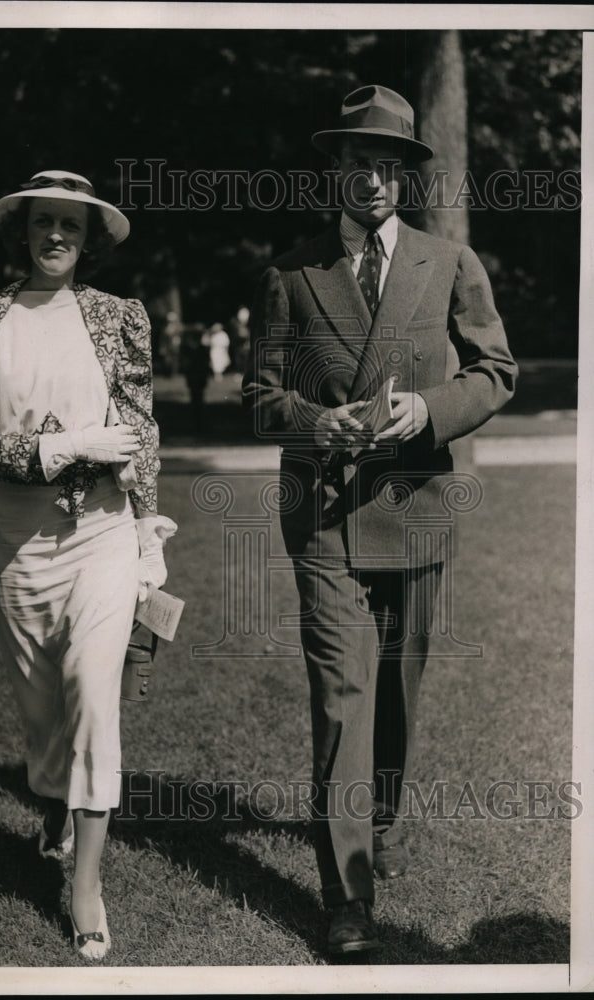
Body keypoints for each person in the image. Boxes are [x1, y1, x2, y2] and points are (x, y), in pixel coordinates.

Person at [242, 86, 517, 957]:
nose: (370, 177)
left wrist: (429, 411)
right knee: (343, 694)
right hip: (321, 516)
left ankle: (379, 817)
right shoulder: (290, 272)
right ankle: (346, 892)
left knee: (396, 691)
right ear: (333, 168)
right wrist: (306, 419)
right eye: (355, 160)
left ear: (404, 174)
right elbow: (256, 396)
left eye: (386, 163)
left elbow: (496, 370)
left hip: (418, 509)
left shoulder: (452, 263)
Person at [0, 169, 176, 961]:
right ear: (22, 231)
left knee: (93, 696)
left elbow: (139, 429)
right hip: (19, 538)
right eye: (43, 223)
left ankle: (85, 887)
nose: (56, 237)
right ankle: (54, 801)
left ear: (89, 236)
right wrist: (68, 445)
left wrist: (145, 531)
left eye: (71, 225)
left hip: (102, 531)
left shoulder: (116, 319)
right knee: (43, 709)